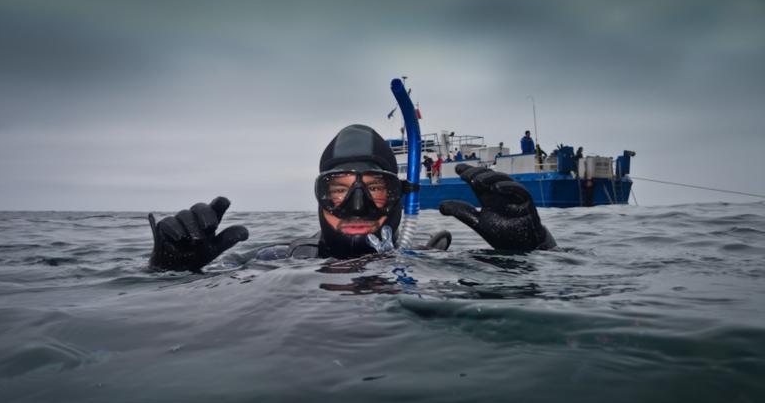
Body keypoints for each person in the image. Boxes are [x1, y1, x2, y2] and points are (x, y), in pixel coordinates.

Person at [148, 124, 556, 271]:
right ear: (318, 197)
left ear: (400, 200)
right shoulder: (274, 263)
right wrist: (169, 271)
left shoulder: (435, 266)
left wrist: (532, 251)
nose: (356, 207)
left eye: (376, 190)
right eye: (338, 191)